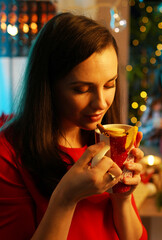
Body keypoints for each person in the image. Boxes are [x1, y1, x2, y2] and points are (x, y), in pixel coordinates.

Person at [0, 13, 147, 240]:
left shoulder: (110, 137)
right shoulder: (9, 153)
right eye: (81, 89)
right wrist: (66, 198)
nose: (101, 103)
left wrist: (123, 197)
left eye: (109, 84)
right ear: (48, 86)